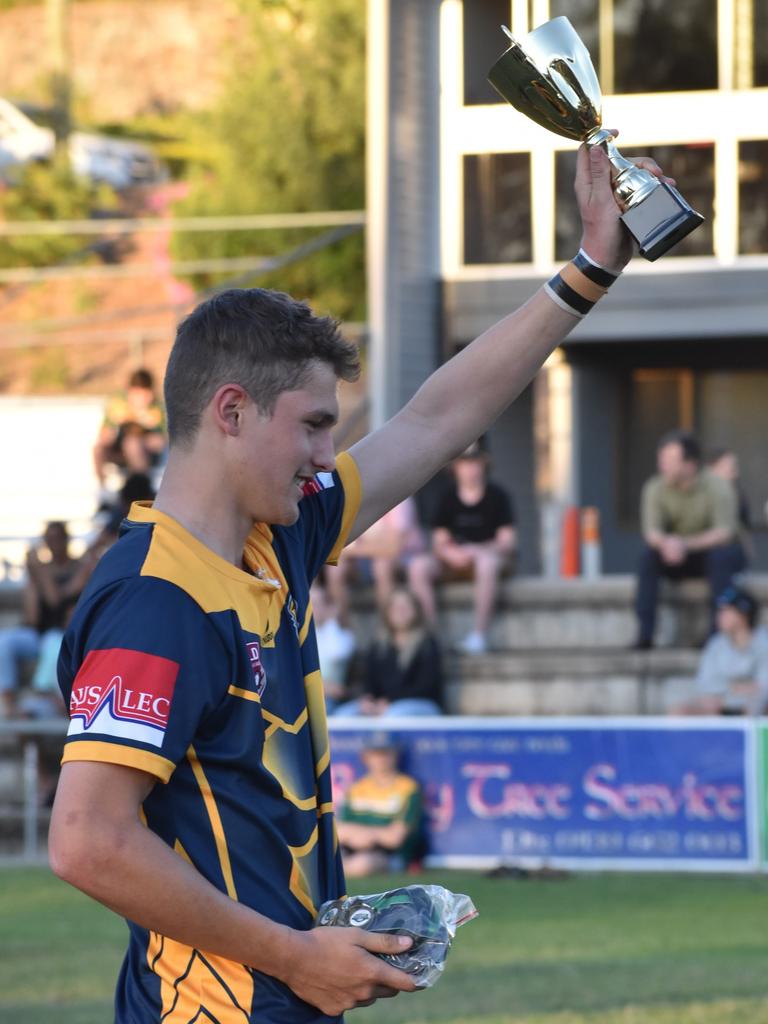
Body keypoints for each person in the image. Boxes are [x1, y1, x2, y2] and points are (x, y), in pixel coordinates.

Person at [49, 142, 670, 1022]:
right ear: (230, 412)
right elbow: (86, 842)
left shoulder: (277, 540)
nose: (320, 458)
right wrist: (297, 957)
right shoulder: (159, 599)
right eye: (309, 427)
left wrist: (591, 269)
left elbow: (437, 416)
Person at [633, 430, 747, 649]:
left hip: (711, 553)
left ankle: (715, 636)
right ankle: (645, 634)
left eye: (670, 460)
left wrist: (684, 544)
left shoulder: (717, 486)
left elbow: (724, 532)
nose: (663, 465)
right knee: (647, 557)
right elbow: (651, 532)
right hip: (675, 554)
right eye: (661, 459)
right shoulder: (654, 487)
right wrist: (668, 544)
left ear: (690, 464)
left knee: (722, 557)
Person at [408, 439, 516, 654]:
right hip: (454, 561)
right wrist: (451, 553)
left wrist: (480, 550)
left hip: (487, 559)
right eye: (465, 464)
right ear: (455, 467)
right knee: (418, 566)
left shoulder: (498, 496)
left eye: (475, 463)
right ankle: (432, 635)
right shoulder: (446, 497)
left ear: (484, 464)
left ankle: (479, 635)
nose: (470, 470)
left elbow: (507, 542)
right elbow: (439, 541)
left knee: (487, 563)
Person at [0, 522, 92, 717]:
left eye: (57, 538)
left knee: (52, 641)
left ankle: (41, 693)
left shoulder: (79, 567)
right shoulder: (40, 571)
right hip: (37, 633)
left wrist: (39, 572)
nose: (53, 543)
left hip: (63, 633)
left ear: (66, 539)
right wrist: (34, 580)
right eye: (49, 539)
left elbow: (56, 598)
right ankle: (7, 702)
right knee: (4, 641)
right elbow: (31, 617)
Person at [333, 587, 443, 717]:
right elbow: (369, 681)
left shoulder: (427, 644)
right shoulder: (378, 645)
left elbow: (426, 687)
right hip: (384, 705)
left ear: (416, 610)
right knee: (343, 714)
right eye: (396, 607)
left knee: (393, 714)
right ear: (387, 612)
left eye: (405, 607)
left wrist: (390, 701)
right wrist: (369, 700)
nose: (401, 612)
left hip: (422, 704)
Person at [324, 496, 425, 623]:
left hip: (404, 557)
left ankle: (387, 627)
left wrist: (352, 549)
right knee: (335, 568)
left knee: (381, 565)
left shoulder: (399, 498)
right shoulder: (358, 497)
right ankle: (341, 629)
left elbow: (392, 549)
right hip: (366, 560)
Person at [336, 732, 424, 878]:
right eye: (376, 754)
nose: (381, 759)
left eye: (386, 753)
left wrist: (367, 835)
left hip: (390, 856)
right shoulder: (356, 788)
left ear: (396, 755)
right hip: (352, 849)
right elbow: (340, 831)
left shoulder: (408, 788)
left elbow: (395, 838)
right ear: (365, 757)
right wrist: (371, 835)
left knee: (362, 865)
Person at [671, 585, 768, 715]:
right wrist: (734, 690)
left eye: (726, 611)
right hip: (721, 704)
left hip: (756, 709)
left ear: (743, 615)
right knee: (681, 711)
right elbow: (705, 684)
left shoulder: (763, 642)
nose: (720, 616)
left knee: (754, 706)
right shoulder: (716, 644)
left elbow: (763, 687)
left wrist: (732, 695)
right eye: (720, 611)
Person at [93, 367, 167, 487]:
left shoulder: (157, 410)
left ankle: (140, 489)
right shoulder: (119, 406)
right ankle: (103, 489)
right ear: (130, 391)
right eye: (137, 394)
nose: (142, 399)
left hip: (146, 456)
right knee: (98, 449)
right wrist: (113, 431)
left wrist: (144, 428)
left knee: (132, 444)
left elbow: (162, 442)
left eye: (145, 394)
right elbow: (104, 433)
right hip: (120, 453)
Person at [310, 581, 357, 713]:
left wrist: (332, 619)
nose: (312, 609)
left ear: (330, 607)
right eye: (309, 604)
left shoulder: (344, 637)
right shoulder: (295, 638)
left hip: (334, 700)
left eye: (318, 604)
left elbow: (335, 654)